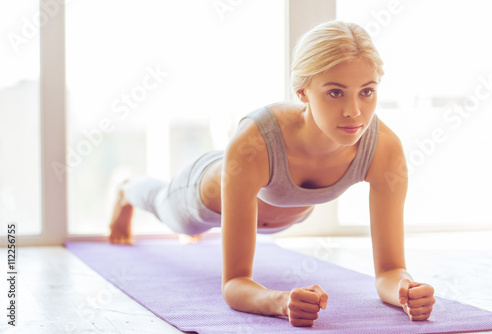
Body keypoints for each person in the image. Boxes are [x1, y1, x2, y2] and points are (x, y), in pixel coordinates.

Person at [109, 20, 436, 327]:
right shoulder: (255, 142)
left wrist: (405, 290)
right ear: (303, 92)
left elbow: (390, 271)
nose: (355, 112)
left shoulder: (384, 149)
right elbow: (235, 283)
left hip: (279, 214)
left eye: (367, 91)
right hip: (202, 199)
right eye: (335, 92)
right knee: (165, 207)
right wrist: (279, 302)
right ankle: (125, 187)